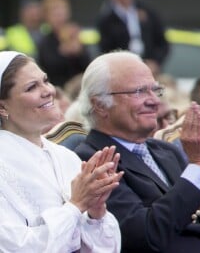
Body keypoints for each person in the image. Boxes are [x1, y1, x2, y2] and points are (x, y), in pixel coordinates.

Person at [74, 51, 200, 253]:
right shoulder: (91, 160)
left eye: (155, 90)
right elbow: (143, 236)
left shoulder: (166, 151)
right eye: (139, 91)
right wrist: (198, 167)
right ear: (100, 104)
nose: (155, 101)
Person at [0, 50, 122, 252]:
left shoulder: (66, 156)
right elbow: (16, 246)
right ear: (2, 107)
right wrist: (76, 206)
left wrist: (96, 212)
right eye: (32, 87)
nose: (48, 91)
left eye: (45, 81)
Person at [96, 0, 169, 76]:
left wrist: (155, 62)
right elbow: (105, 49)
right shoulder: (106, 18)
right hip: (122, 71)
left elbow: (162, 42)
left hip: (149, 69)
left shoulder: (148, 11)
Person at [37, 0, 91, 87]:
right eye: (55, 15)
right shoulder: (45, 42)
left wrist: (79, 51)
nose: (60, 18)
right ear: (47, 17)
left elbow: (88, 65)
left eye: (62, 13)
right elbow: (48, 68)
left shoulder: (75, 36)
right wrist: (63, 53)